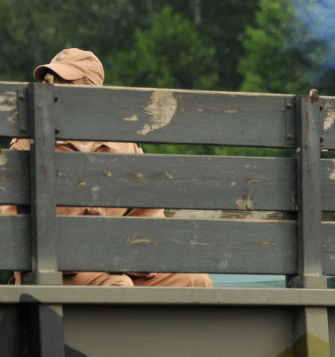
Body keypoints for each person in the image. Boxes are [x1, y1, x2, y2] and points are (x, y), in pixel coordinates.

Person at [1, 48, 212, 287]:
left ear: (92, 92)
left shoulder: (124, 144)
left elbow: (148, 216)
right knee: (118, 286)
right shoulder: (28, 145)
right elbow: (9, 223)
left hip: (118, 264)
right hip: (56, 271)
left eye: (64, 82)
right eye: (51, 82)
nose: (52, 90)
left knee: (196, 281)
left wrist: (141, 257)